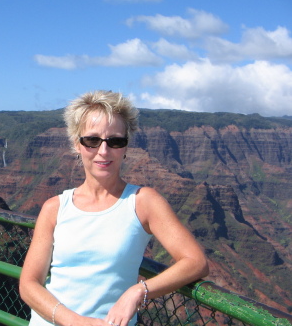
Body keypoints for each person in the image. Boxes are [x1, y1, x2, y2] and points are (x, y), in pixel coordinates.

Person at [19, 90, 209, 326]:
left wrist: (139, 291)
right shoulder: (55, 208)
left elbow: (196, 262)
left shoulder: (143, 202)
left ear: (126, 148)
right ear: (77, 145)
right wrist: (75, 322)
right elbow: (29, 284)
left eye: (115, 141)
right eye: (92, 140)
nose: (103, 151)